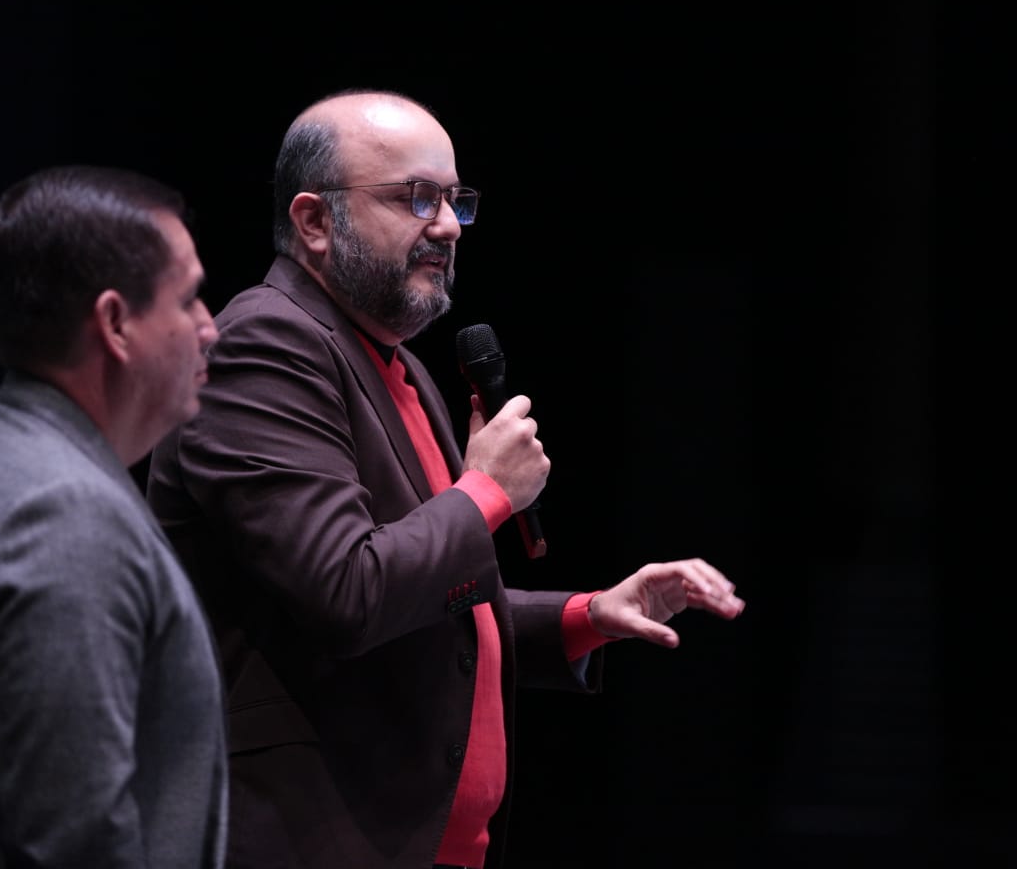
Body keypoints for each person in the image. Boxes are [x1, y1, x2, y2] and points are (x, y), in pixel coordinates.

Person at [145, 90, 746, 869]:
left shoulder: (394, 363)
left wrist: (589, 614)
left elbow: (433, 600)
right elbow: (350, 592)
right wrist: (489, 491)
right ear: (314, 221)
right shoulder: (262, 347)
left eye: (455, 200)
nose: (445, 226)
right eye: (415, 198)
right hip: (304, 839)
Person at [0, 165, 226, 868]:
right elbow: (77, 844)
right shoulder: (64, 516)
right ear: (116, 323)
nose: (210, 329)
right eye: (188, 301)